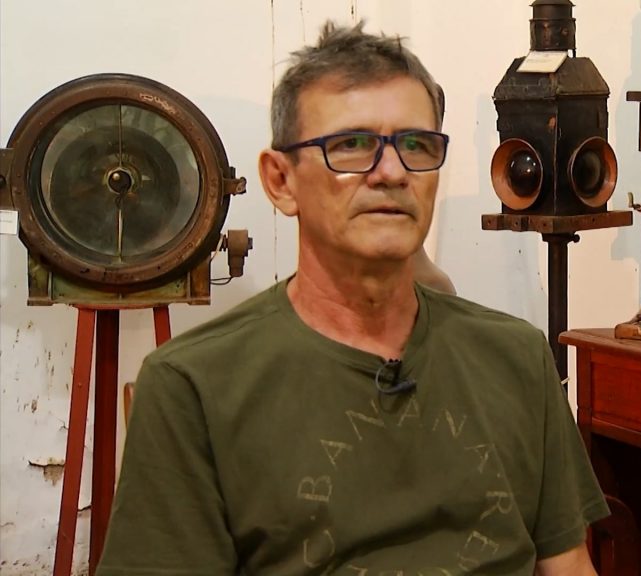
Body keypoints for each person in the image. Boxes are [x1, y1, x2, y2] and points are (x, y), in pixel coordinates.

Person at [97, 20, 609, 575]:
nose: (392, 172)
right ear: (281, 181)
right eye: (351, 145)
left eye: (415, 145)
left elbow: (568, 564)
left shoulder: (517, 357)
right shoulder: (194, 386)